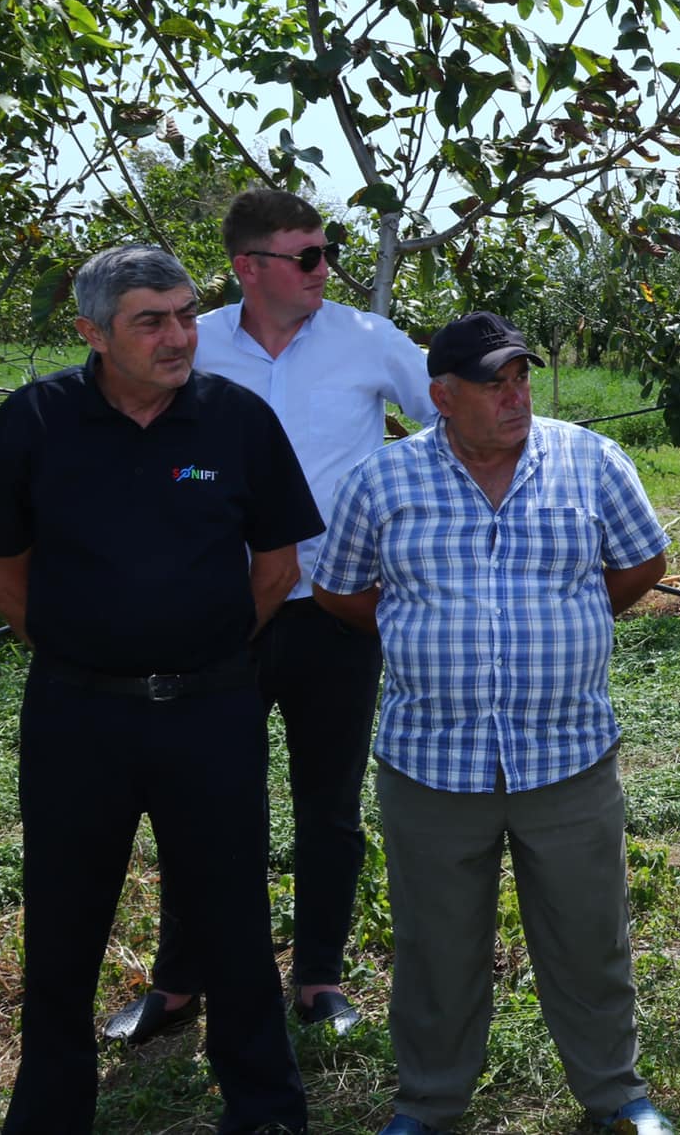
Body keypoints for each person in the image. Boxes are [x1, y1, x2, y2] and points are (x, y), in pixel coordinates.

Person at [309, 311, 672, 1135]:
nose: (514, 397)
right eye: (491, 384)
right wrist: (420, 633)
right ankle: (430, 1103)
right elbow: (339, 590)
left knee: (590, 938)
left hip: (568, 755)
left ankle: (615, 1096)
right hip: (432, 762)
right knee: (435, 948)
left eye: (520, 378)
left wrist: (567, 622)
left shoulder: (590, 461)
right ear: (441, 397)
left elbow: (642, 562)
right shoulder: (382, 481)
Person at [0, 245, 315, 1135]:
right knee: (64, 920)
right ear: (93, 333)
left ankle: (265, 1110)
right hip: (77, 715)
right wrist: (87, 655)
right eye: (151, 321)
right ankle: (49, 1114)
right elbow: (2, 573)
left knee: (233, 916)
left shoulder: (236, 421)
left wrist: (199, 655)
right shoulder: (34, 421)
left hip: (210, 711)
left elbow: (277, 569)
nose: (179, 337)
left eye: (185, 315)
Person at [104, 188, 438, 1046]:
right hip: (222, 615)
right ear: (249, 268)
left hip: (336, 609)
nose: (326, 269)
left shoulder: (368, 340)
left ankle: (319, 977)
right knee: (201, 802)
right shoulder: (196, 345)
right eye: (308, 256)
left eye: (327, 251)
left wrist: (411, 511)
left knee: (329, 806)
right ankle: (181, 981)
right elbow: (140, 445)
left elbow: (452, 414)